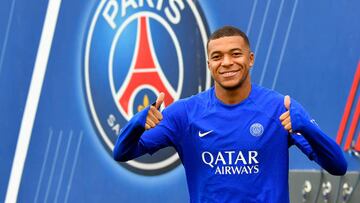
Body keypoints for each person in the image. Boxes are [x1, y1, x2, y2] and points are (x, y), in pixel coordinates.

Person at [113, 26, 347, 202]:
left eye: (236, 54)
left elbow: (338, 166)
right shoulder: (184, 114)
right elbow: (122, 152)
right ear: (209, 64)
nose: (227, 63)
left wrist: (307, 127)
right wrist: (137, 123)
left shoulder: (279, 108)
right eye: (217, 57)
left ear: (251, 59)